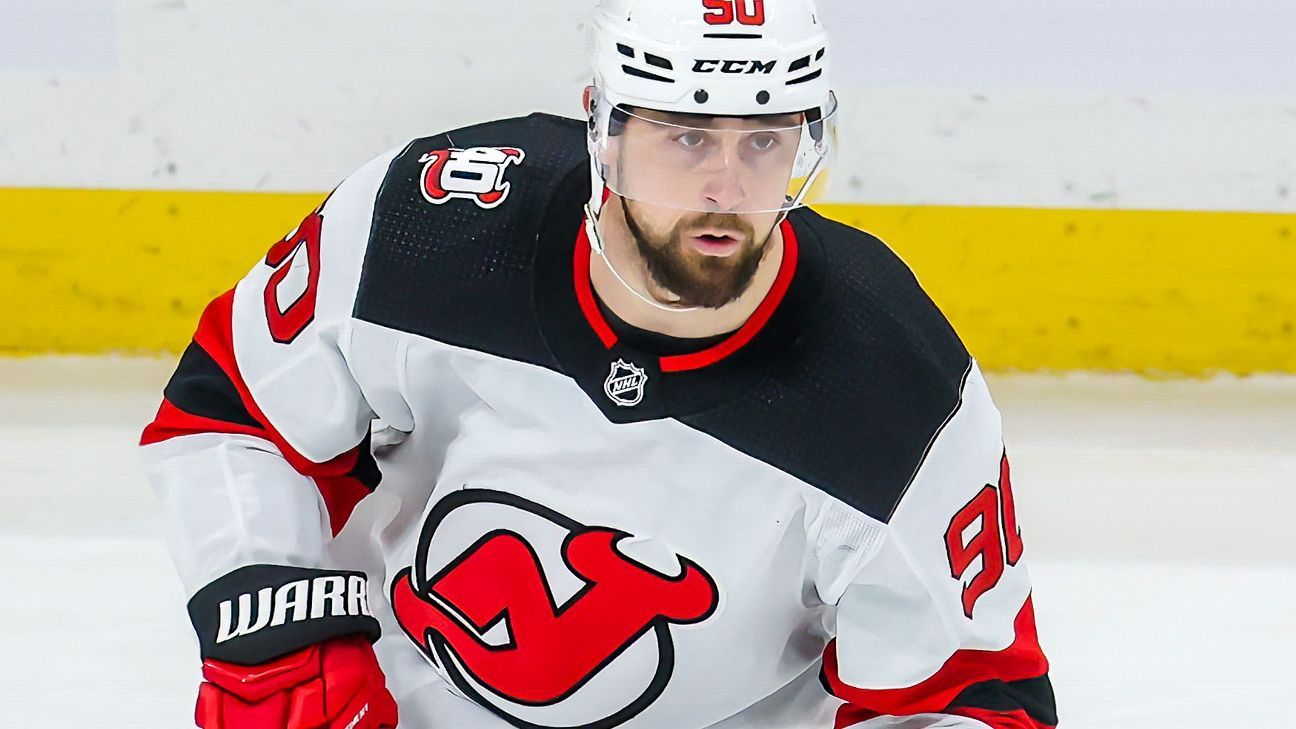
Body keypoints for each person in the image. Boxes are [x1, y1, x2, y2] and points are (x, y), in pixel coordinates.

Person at [142, 1, 1058, 727]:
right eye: (687, 136)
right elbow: (232, 407)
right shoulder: (426, 229)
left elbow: (974, 694)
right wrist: (271, 618)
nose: (725, 188)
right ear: (603, 127)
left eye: (763, 140)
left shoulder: (897, 390)